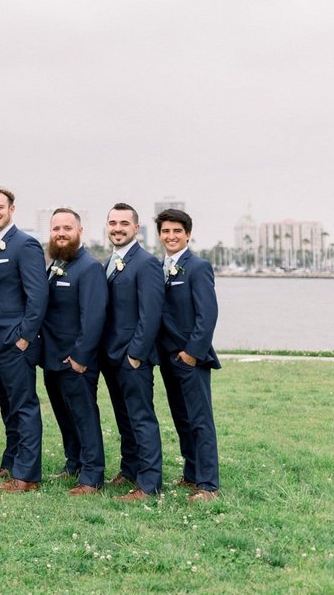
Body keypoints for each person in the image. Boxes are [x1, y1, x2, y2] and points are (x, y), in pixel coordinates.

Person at [0, 185, 48, 492]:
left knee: (24, 406)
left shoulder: (25, 245)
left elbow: (38, 295)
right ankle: (11, 463)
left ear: (11, 210)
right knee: (7, 407)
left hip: (13, 343)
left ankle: (26, 476)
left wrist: (24, 337)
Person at [99, 203, 165, 502]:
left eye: (124, 223)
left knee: (141, 418)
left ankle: (149, 484)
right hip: (111, 356)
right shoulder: (109, 261)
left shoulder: (146, 263)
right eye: (112, 223)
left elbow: (150, 314)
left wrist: (136, 354)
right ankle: (129, 469)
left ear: (136, 228)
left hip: (132, 357)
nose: (117, 228)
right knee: (124, 418)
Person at [40, 208, 107, 496]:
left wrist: (80, 358)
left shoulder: (89, 267)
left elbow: (93, 317)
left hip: (76, 361)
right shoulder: (57, 263)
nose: (61, 233)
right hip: (52, 358)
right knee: (64, 415)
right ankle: (74, 462)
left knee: (84, 416)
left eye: (67, 228)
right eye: (56, 228)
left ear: (80, 231)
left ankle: (92, 475)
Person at [156, 208, 221, 502]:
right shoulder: (158, 268)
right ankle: (191, 473)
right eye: (166, 231)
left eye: (177, 231)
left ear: (188, 234)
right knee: (181, 419)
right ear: (160, 235)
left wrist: (192, 353)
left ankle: (208, 485)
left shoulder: (198, 267)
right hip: (167, 358)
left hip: (190, 358)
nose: (171, 236)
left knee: (200, 420)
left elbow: (207, 316)